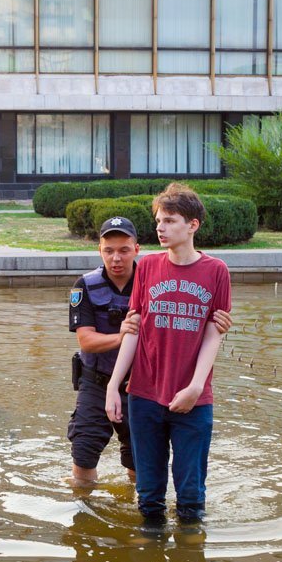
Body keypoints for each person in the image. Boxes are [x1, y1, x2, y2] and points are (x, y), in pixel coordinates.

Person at [68, 216, 231, 486]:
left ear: (137, 249)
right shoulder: (86, 285)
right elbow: (86, 341)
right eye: (109, 250)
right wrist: (124, 334)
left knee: (138, 459)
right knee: (84, 449)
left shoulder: (154, 277)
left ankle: (132, 507)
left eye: (124, 250)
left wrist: (214, 323)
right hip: (96, 381)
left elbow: (185, 318)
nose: (116, 258)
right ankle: (86, 510)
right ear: (99, 250)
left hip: (142, 386)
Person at [105, 185, 231, 527]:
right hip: (144, 396)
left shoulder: (216, 271)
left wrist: (194, 387)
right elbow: (134, 329)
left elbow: (213, 332)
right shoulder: (146, 268)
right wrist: (114, 385)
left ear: (192, 225)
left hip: (194, 399)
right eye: (159, 220)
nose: (160, 228)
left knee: (191, 498)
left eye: (170, 221)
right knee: (148, 497)